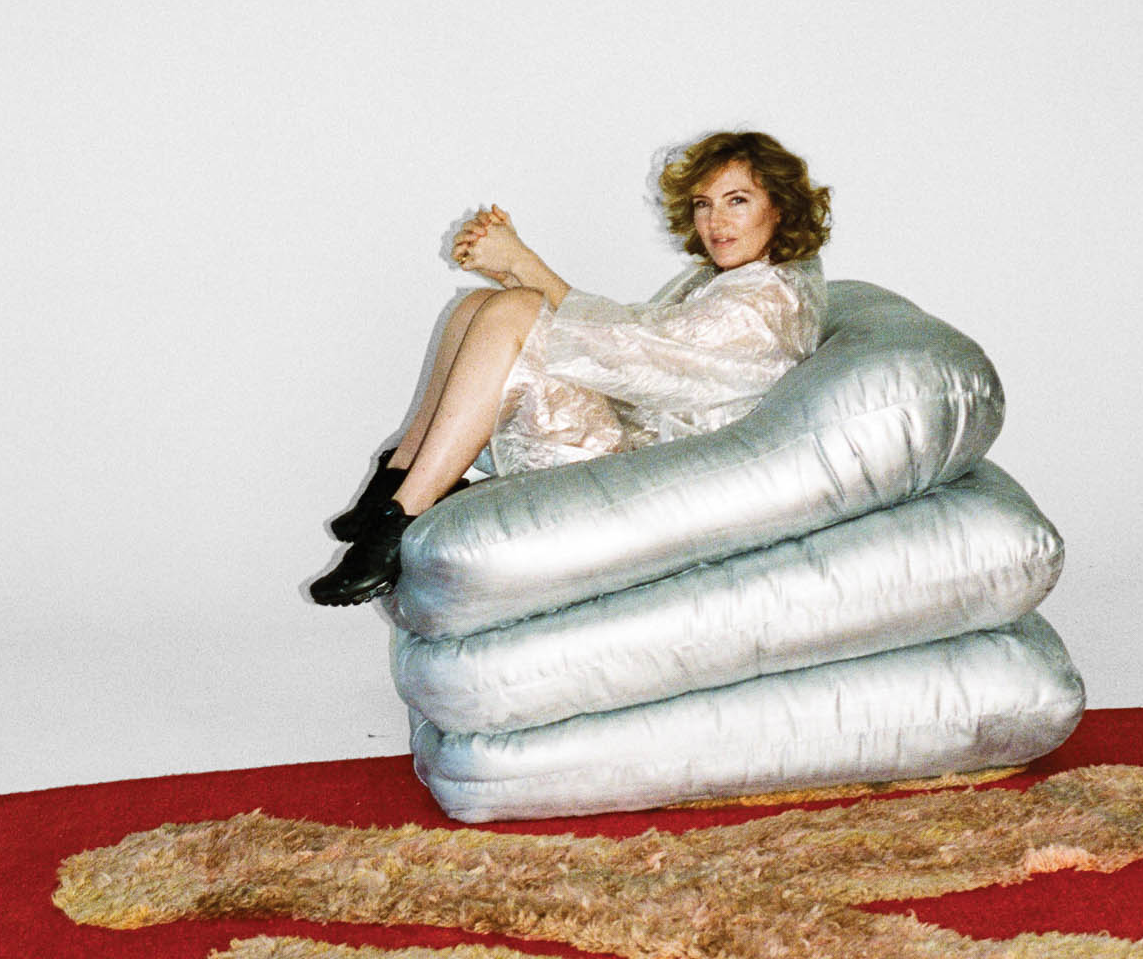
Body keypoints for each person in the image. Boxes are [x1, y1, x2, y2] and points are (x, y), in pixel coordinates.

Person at [308, 130, 832, 606]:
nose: (715, 222)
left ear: (781, 208)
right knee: (479, 308)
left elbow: (636, 354)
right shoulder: (741, 279)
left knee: (512, 310)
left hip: (650, 469)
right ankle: (399, 473)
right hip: (639, 426)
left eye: (737, 201)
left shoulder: (767, 302)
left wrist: (525, 268)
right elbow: (636, 335)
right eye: (703, 204)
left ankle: (402, 520)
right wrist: (517, 276)